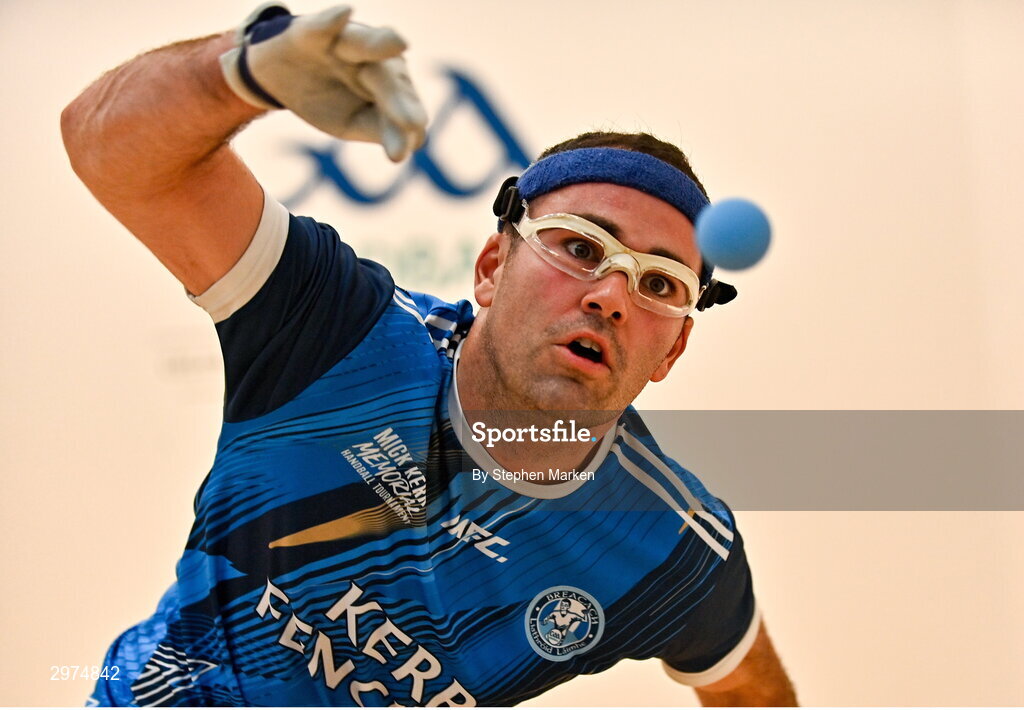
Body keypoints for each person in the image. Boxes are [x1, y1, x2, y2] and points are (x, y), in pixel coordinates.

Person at [62, 4, 796, 707]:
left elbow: (750, 691)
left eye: (659, 284)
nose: (611, 296)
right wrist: (240, 71)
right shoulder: (336, 328)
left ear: (673, 348)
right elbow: (107, 149)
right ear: (491, 267)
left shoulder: (668, 544)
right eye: (580, 247)